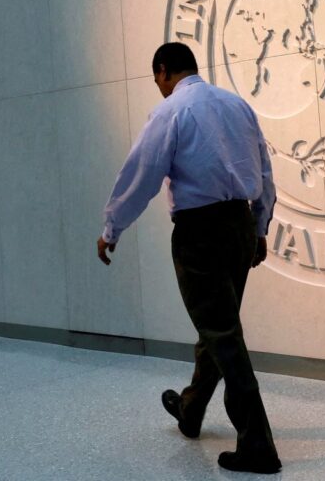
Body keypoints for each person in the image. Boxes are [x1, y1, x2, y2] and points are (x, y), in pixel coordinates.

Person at [95, 42, 282, 474]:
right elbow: (265, 170)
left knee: (222, 332)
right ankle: (191, 408)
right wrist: (259, 227)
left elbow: (140, 174)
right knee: (217, 327)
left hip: (201, 232)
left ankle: (257, 444)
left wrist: (111, 229)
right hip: (238, 225)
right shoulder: (237, 106)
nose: (158, 87)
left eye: (156, 79)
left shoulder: (170, 112)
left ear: (163, 71)